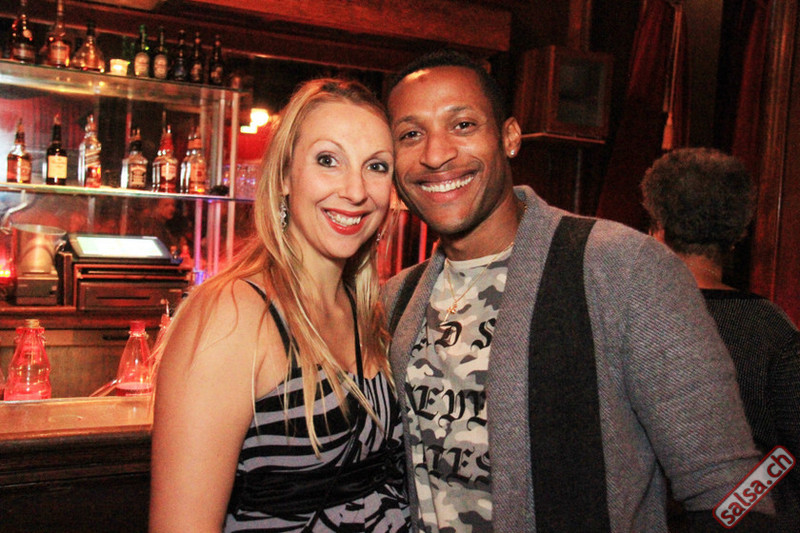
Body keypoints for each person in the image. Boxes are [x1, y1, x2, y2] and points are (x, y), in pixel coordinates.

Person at [381, 50, 774, 532]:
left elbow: (730, 484)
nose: (436, 153)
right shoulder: (397, 297)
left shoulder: (621, 267)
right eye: (411, 134)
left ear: (509, 137)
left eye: (462, 125)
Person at [150, 78, 410, 532]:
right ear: (285, 176)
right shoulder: (235, 314)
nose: (355, 190)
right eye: (327, 160)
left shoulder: (366, 308)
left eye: (376, 166)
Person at [641, 147, 800, 531]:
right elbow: (791, 450)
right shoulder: (771, 327)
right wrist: (737, 503)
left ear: (658, 228)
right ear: (736, 234)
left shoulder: (631, 319)